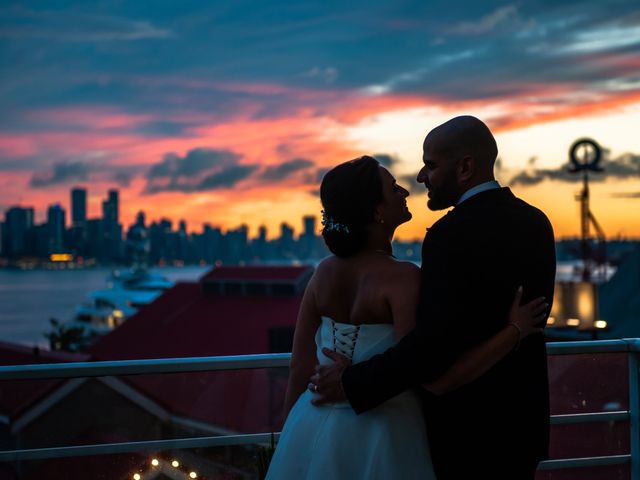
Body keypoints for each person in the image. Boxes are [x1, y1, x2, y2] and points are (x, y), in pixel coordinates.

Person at [266, 154, 549, 479]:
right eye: (393, 188)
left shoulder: (323, 273)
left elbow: (299, 365)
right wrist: (514, 329)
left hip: (311, 423)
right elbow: (430, 374)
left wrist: (289, 437)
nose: (405, 191)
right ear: (376, 212)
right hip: (384, 433)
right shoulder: (403, 278)